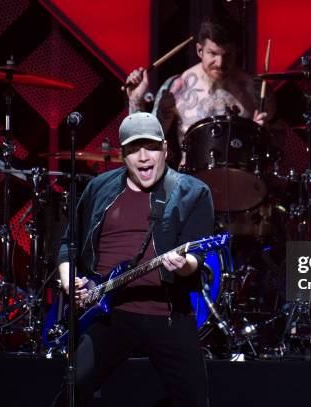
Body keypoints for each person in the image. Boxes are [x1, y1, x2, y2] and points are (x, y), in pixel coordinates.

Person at [56, 112, 214, 406]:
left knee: (194, 400)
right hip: (107, 312)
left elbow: (196, 256)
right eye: (133, 149)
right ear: (122, 155)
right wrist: (69, 283)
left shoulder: (193, 192)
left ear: (165, 149)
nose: (143, 157)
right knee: (72, 391)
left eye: (151, 147)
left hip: (167, 314)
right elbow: (69, 245)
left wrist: (184, 266)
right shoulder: (99, 187)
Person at [125, 16, 275, 166]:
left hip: (243, 183)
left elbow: (275, 151)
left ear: (237, 51)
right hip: (192, 184)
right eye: (213, 54)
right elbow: (146, 143)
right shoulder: (178, 87)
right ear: (199, 50)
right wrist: (136, 100)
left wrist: (262, 135)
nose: (220, 63)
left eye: (227, 55)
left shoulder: (257, 90)